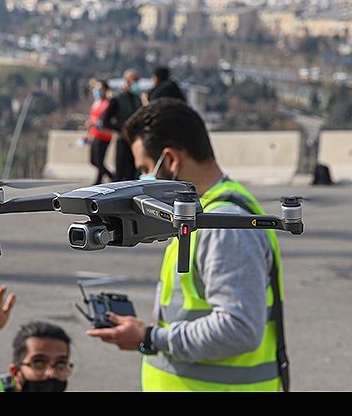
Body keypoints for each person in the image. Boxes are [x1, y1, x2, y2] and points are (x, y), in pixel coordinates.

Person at [87, 98, 289, 392]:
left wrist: (149, 338)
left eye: (145, 169)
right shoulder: (201, 214)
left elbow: (239, 329)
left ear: (170, 160)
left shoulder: (222, 224)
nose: (142, 179)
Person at [102, 68, 143, 181]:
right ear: (127, 81)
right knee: (120, 173)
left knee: (134, 174)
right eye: (134, 80)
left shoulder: (137, 99)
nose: (136, 84)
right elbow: (106, 121)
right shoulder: (117, 99)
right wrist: (121, 129)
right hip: (122, 140)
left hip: (134, 141)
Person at [85, 79, 114, 184]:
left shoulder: (108, 103)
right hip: (95, 134)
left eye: (100, 88)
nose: (97, 90)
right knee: (93, 160)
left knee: (99, 160)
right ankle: (112, 176)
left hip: (103, 135)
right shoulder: (96, 103)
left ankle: (98, 181)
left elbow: (104, 119)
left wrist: (95, 123)